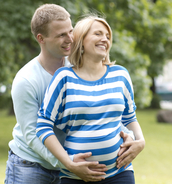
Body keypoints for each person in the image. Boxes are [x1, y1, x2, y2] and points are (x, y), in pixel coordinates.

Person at [5, 4, 136, 184]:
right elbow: (32, 134)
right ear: (41, 38)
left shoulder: (79, 67)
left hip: (72, 166)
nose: (70, 39)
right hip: (32, 164)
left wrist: (129, 135)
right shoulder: (26, 80)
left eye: (71, 31)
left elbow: (100, 109)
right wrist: (67, 163)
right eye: (61, 35)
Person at [36, 15, 145, 184]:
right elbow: (43, 126)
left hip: (120, 173)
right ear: (81, 40)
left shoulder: (120, 75)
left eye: (108, 36)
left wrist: (141, 141)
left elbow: (130, 118)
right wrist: (69, 163)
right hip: (75, 177)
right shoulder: (64, 78)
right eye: (98, 34)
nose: (104, 39)